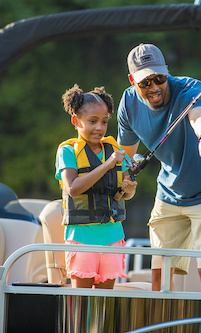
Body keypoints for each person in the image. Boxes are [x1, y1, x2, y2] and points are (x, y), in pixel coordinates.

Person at [117, 43, 201, 292]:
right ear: (132, 81)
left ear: (167, 72)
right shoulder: (128, 105)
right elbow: (125, 156)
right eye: (145, 82)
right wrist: (125, 178)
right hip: (170, 192)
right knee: (159, 273)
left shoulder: (191, 89)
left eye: (159, 78)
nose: (154, 87)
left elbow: (200, 116)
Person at [56, 84, 137, 289]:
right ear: (76, 121)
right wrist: (108, 164)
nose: (99, 128)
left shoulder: (114, 149)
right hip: (82, 237)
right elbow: (73, 188)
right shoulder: (67, 151)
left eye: (104, 122)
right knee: (81, 302)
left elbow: (125, 194)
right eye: (92, 121)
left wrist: (129, 188)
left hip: (113, 236)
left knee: (105, 302)